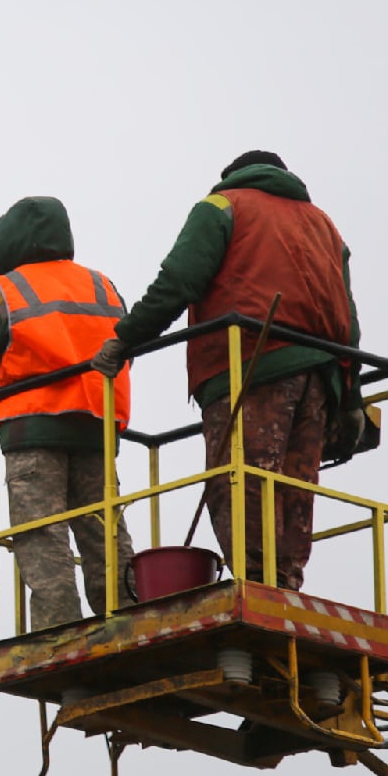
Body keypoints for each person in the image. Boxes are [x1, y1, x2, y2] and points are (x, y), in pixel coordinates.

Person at [91, 150, 361, 591]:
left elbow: (179, 281)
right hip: (321, 376)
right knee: (294, 489)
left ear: (231, 177)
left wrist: (126, 339)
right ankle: (285, 586)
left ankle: (259, 586)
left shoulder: (223, 206)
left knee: (238, 483)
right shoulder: (325, 226)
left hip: (249, 366)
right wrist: (350, 399)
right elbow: (348, 319)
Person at [0, 196, 134, 631]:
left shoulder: (7, 289)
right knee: (104, 532)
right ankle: (130, 616)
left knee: (43, 537)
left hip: (35, 431)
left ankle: (60, 635)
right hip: (96, 425)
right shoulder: (102, 285)